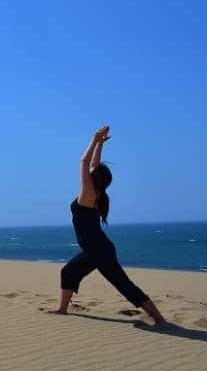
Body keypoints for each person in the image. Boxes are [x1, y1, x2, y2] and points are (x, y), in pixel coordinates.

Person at [53, 126, 165, 324]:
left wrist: (94, 139)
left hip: (99, 250)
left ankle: (159, 319)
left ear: (93, 178)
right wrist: (101, 144)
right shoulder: (97, 193)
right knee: (69, 271)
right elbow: (93, 164)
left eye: (91, 172)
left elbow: (84, 161)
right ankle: (62, 310)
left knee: (123, 285)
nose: (88, 171)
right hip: (95, 248)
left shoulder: (88, 193)